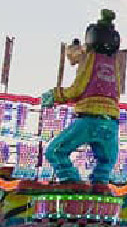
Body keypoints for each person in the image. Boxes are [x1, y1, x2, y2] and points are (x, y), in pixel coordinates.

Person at [41, 10, 122, 192]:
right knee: (105, 162)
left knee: (55, 152)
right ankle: (100, 185)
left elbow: (77, 89)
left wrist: (55, 95)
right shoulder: (114, 63)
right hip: (111, 123)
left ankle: (71, 181)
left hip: (89, 119)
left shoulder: (90, 58)